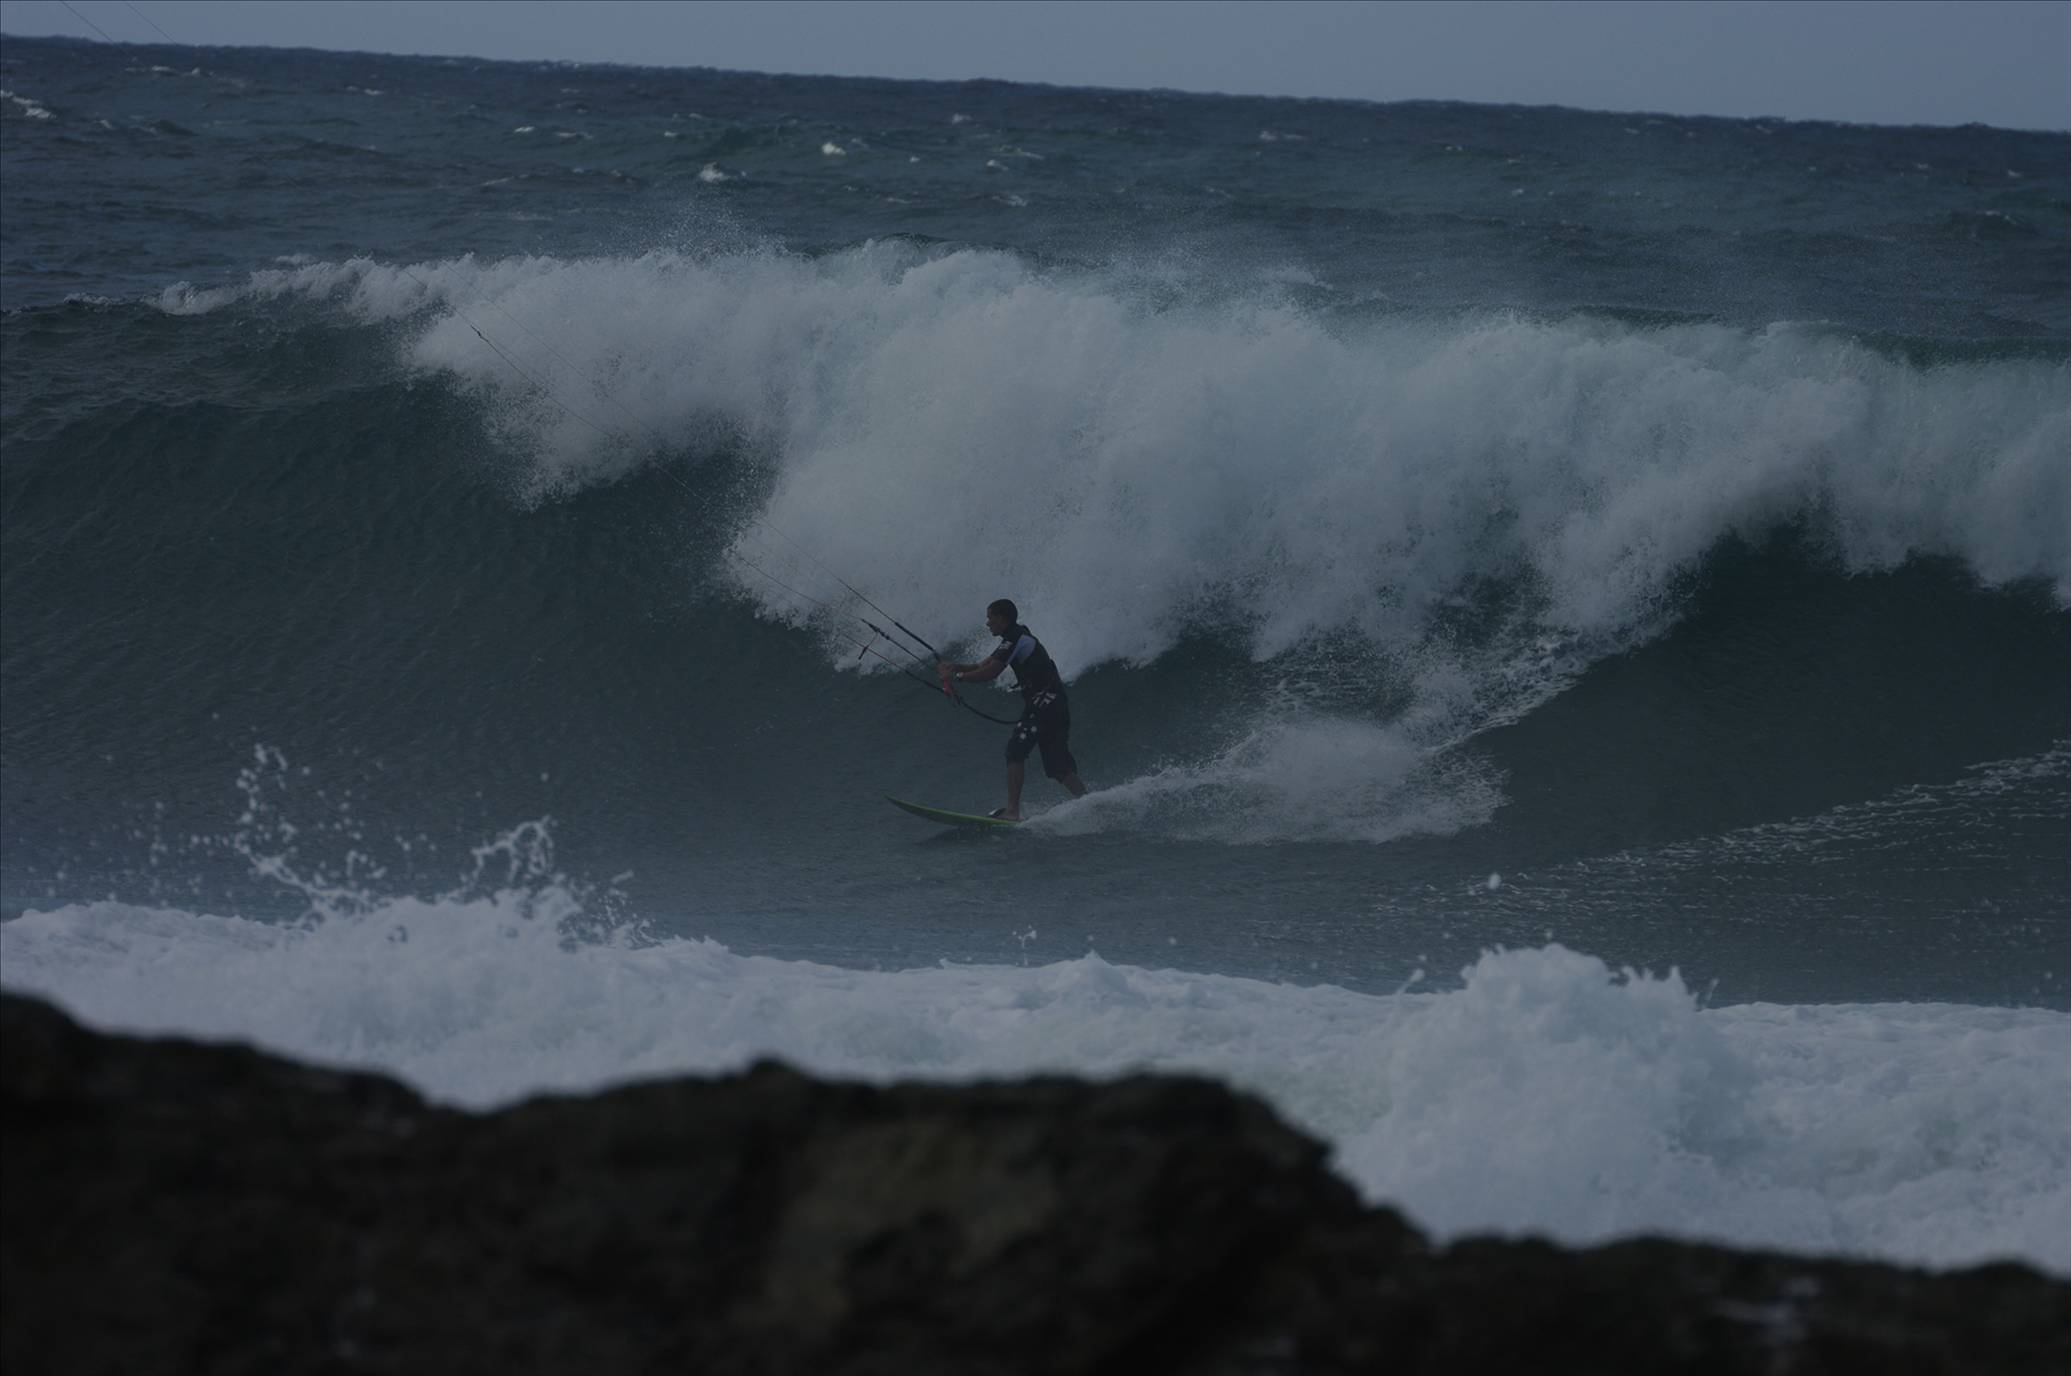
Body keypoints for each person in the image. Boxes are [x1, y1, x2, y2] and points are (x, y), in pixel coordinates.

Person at [937, 599, 1087, 820]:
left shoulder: (1016, 638)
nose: (987, 623)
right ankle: (1088, 802)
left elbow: (991, 673)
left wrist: (956, 677)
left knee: (1015, 751)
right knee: (1057, 766)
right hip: (1053, 704)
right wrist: (956, 667)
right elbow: (982, 665)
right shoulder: (1015, 637)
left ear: (1001, 618)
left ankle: (1012, 812)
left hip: (1044, 704)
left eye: (990, 618)